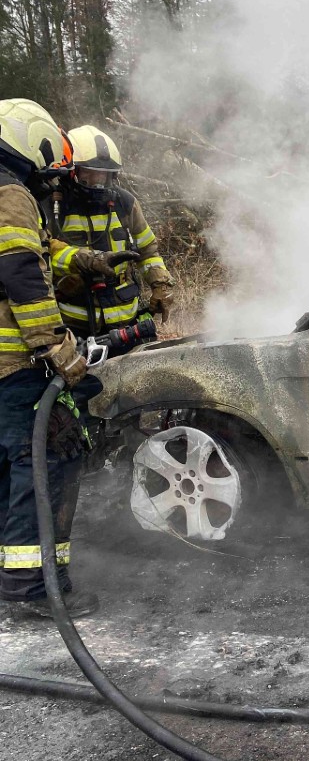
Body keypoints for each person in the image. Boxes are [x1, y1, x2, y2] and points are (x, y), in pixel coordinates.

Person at [0, 98, 96, 618]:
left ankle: (12, 579)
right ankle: (33, 592)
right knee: (42, 466)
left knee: (6, 469)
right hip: (15, 365)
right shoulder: (10, 190)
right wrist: (56, 347)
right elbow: (20, 271)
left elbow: (37, 247)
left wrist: (82, 257)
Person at [46, 125, 174, 343]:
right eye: (89, 173)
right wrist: (76, 264)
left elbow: (148, 251)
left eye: (103, 175)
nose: (97, 181)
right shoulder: (55, 205)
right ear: (72, 171)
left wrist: (160, 285)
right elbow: (42, 254)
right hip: (75, 324)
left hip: (127, 320)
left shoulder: (125, 203)